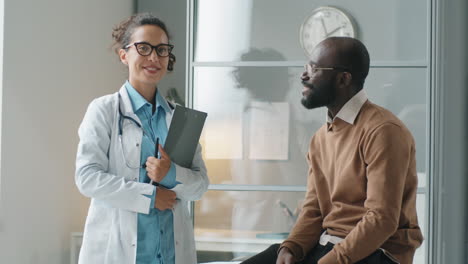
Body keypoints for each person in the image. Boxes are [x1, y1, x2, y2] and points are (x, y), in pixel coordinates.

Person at [241, 37, 423, 264]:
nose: (303, 76)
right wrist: (293, 246)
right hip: (328, 244)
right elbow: (314, 209)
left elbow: (381, 219)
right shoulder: (320, 137)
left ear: (343, 79)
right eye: (306, 67)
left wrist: (330, 261)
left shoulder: (383, 131)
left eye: (314, 69)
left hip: (378, 252)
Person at [75, 13, 209, 264]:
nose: (154, 58)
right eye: (144, 48)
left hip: (171, 254)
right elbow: (87, 178)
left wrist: (171, 175)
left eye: (162, 50)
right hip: (120, 253)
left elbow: (200, 185)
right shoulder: (103, 110)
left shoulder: (180, 118)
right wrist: (149, 197)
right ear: (124, 55)